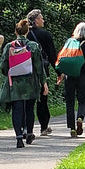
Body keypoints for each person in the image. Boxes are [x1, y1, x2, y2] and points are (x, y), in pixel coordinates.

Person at [0, 18, 47, 148]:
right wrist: (44, 82)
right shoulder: (33, 46)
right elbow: (39, 67)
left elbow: (3, 66)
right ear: (27, 32)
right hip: (31, 83)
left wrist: (10, 73)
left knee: (17, 110)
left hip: (15, 84)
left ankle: (19, 138)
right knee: (30, 109)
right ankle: (30, 133)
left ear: (16, 32)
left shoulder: (10, 46)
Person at [57, 22, 85, 137]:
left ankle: (72, 129)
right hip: (83, 75)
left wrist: (61, 74)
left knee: (69, 102)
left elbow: (63, 59)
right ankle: (80, 118)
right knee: (82, 100)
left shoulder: (70, 43)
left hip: (70, 75)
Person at [27, 8, 57, 136]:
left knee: (28, 101)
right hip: (41, 70)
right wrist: (58, 71)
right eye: (41, 18)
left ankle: (27, 128)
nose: (43, 20)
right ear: (36, 21)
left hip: (26, 70)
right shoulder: (45, 35)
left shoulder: (25, 35)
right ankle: (44, 126)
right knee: (42, 99)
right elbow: (52, 55)